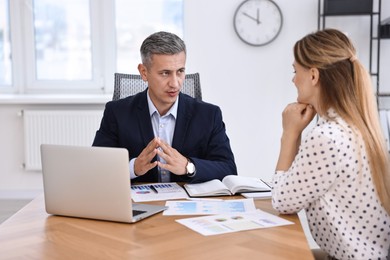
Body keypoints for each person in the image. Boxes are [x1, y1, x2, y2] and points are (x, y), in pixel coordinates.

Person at [272, 29, 390, 260]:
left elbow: (282, 201)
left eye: (296, 71)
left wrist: (290, 133)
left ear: (314, 76)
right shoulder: (357, 127)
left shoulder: (327, 137)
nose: (293, 79)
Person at [93, 31, 237, 183]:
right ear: (144, 72)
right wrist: (133, 167)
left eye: (180, 71)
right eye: (165, 73)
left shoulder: (209, 115)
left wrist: (189, 167)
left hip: (189, 204)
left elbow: (228, 169)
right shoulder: (117, 113)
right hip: (141, 205)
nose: (175, 83)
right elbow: (97, 168)